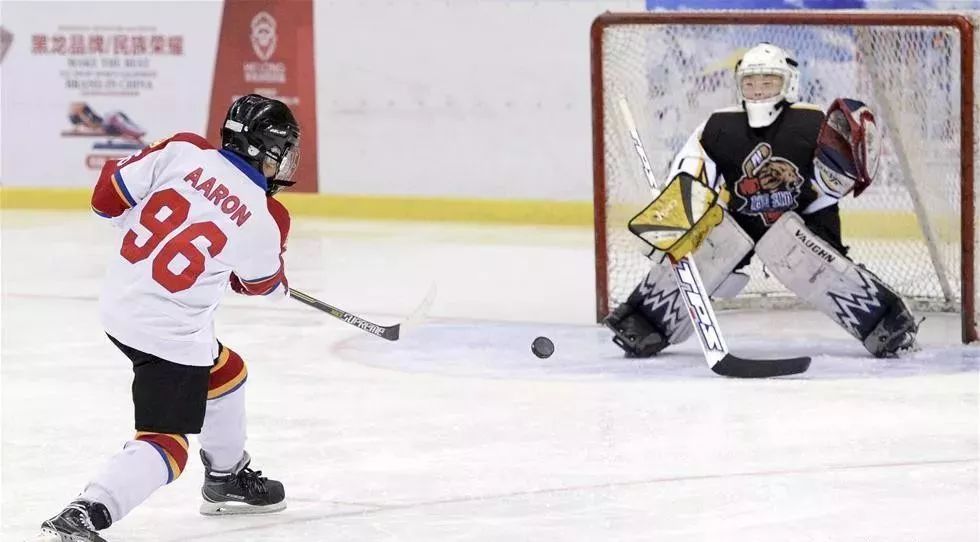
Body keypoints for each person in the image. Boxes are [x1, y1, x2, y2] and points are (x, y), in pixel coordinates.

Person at [39, 94, 300, 541]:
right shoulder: (266, 215)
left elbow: (105, 201)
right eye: (283, 152)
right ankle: (86, 512)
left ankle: (226, 478)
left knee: (226, 372)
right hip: (169, 337)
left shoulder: (182, 148)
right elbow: (259, 286)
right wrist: (273, 280)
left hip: (119, 302)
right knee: (167, 444)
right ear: (264, 151)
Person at [605, 43, 918, 360]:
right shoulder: (717, 127)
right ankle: (643, 323)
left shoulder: (812, 122)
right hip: (740, 218)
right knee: (712, 249)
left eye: (768, 82)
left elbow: (831, 184)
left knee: (810, 258)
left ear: (788, 83)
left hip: (804, 217)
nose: (758, 90)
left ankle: (885, 321)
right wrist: (674, 216)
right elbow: (693, 174)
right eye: (750, 83)